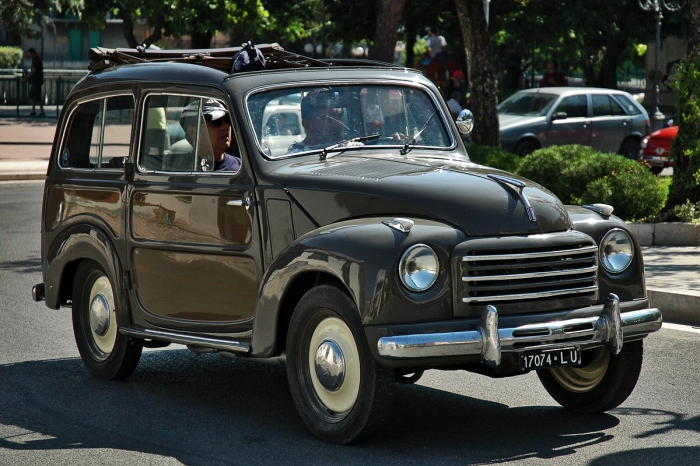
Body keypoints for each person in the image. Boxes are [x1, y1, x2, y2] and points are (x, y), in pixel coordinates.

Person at [179, 99, 241, 172]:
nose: (226, 126)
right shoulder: (176, 169)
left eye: (228, 120)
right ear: (193, 132)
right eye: (216, 122)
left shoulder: (241, 168)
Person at [286, 89, 353, 154]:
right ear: (307, 125)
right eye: (328, 119)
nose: (339, 125)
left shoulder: (350, 148)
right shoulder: (297, 157)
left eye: (340, 116)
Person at [22, 48, 45, 117]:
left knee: (37, 96)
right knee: (32, 96)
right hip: (35, 80)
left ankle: (41, 111)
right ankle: (34, 110)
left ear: (33, 53)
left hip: (37, 80)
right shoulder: (35, 60)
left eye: (29, 53)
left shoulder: (36, 60)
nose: (29, 55)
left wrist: (26, 78)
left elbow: (33, 71)